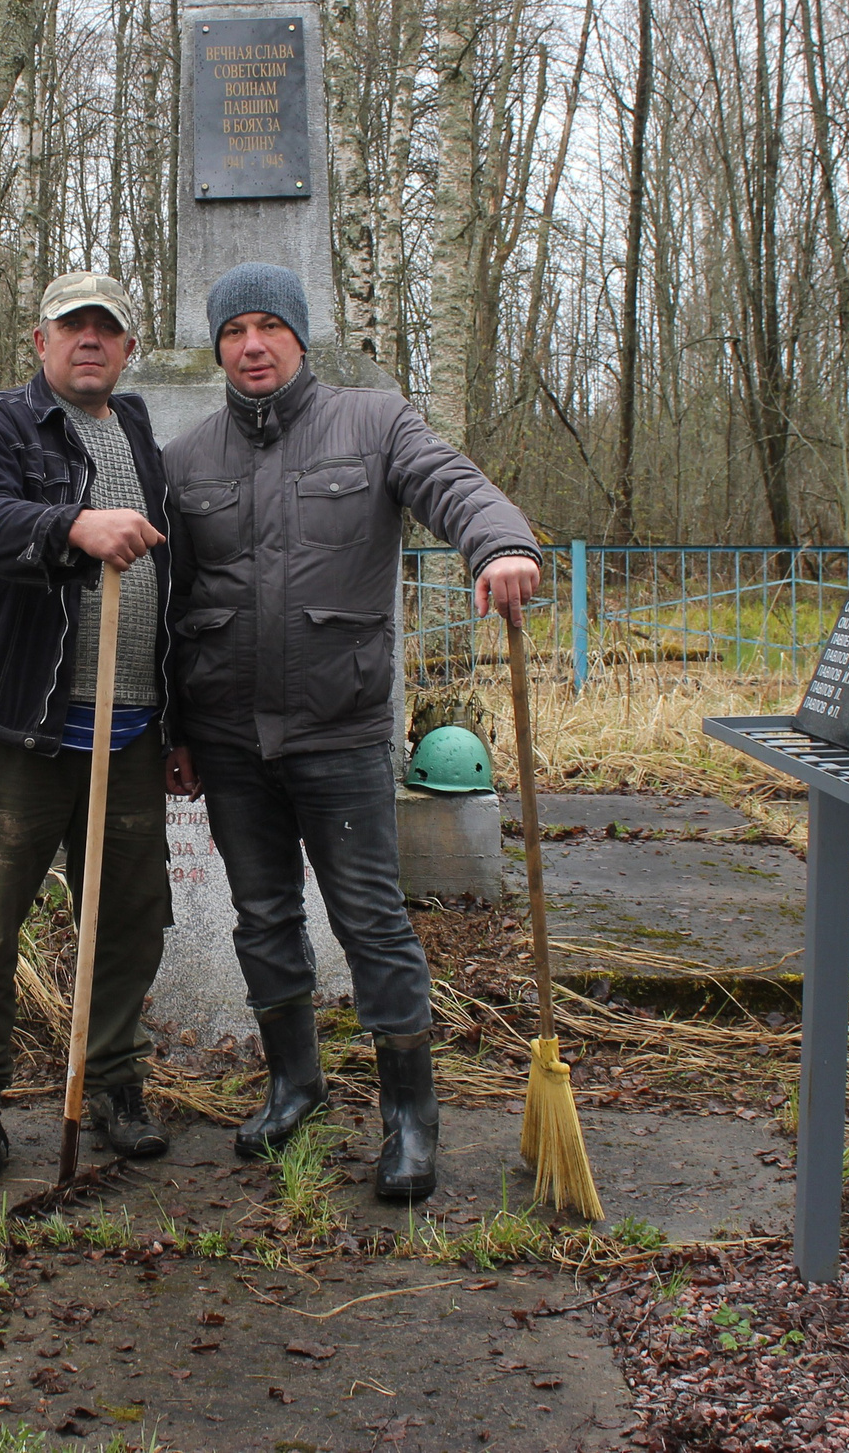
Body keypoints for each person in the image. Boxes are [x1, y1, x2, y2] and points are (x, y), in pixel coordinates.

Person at [163, 262, 541, 1200]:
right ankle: (294, 1083)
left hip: (340, 731)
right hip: (228, 740)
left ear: (298, 334)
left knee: (370, 920)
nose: (252, 345)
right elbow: (169, 605)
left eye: (269, 327)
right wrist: (174, 727)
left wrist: (499, 542)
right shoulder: (188, 458)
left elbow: (452, 483)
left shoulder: (374, 422)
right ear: (219, 346)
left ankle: (410, 1117)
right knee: (263, 917)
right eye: (234, 330)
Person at [0, 271, 177, 1177]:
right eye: (72, 326)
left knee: (129, 918)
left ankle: (112, 1079)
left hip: (131, 729)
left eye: (106, 330)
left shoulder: (142, 431)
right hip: (19, 732)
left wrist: (175, 721)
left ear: (127, 349)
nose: (89, 342)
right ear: (40, 341)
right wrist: (72, 525)